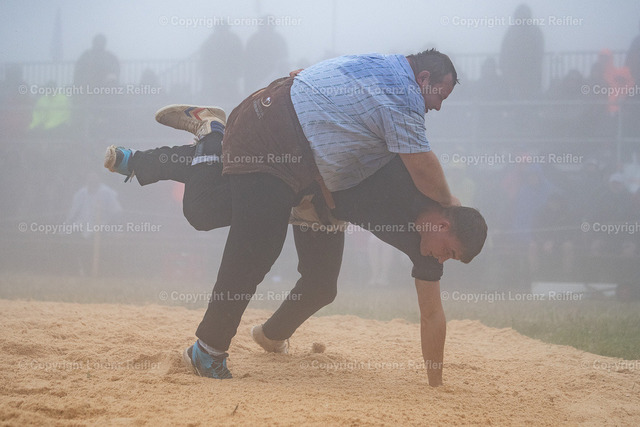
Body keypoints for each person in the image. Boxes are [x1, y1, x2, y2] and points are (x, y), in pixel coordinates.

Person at [104, 49, 488, 386]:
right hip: (279, 144)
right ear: (444, 222)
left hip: (315, 191)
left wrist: (436, 386)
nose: (438, 106)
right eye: (449, 252)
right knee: (229, 225)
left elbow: (432, 314)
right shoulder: (406, 122)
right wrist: (309, 81)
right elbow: (422, 164)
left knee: (321, 284)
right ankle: (208, 350)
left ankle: (271, 336)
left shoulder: (427, 243)